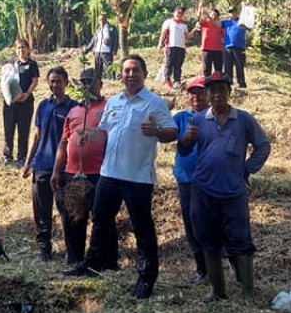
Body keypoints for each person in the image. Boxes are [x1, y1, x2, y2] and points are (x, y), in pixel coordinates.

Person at [66, 54, 178, 300]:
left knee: (142, 227)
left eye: (135, 70)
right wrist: (88, 134)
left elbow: (172, 132)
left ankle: (147, 276)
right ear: (121, 75)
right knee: (101, 220)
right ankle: (93, 264)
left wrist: (156, 131)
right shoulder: (114, 102)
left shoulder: (154, 102)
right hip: (109, 174)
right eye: (126, 70)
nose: (130, 74)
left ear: (145, 74)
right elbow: (104, 129)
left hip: (137, 177)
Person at [179, 72, 270, 302]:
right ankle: (217, 291)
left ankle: (248, 293)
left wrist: (247, 169)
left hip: (233, 191)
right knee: (207, 239)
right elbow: (183, 152)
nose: (216, 95)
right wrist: (186, 139)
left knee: (240, 240)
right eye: (212, 90)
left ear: (230, 92)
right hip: (203, 189)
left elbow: (262, 146)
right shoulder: (198, 120)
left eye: (221, 90)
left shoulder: (243, 119)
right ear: (207, 94)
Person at [51, 68, 107, 265]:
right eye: (83, 81)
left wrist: (91, 135)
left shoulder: (109, 107)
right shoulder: (74, 111)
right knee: (73, 217)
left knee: (100, 218)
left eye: (90, 80)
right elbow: (64, 142)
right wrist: (57, 170)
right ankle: (75, 258)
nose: (86, 85)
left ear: (100, 82)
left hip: (99, 173)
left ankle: (100, 260)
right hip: (73, 173)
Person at [22, 66, 78, 261]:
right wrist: (28, 163)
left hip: (64, 169)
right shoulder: (43, 105)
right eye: (52, 81)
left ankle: (72, 251)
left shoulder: (74, 108)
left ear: (66, 83)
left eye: (58, 81)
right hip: (42, 166)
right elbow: (36, 135)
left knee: (67, 211)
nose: (55, 85)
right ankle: (44, 250)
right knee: (41, 211)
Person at [172, 75, 210, 283]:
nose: (196, 96)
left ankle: (223, 264)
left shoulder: (214, 117)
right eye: (192, 92)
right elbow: (172, 139)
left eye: (201, 91)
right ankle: (201, 268)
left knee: (211, 223)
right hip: (185, 179)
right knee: (190, 223)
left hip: (209, 180)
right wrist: (185, 137)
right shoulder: (181, 117)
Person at [2, 38, 39, 165]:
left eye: (23, 47)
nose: (21, 50)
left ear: (28, 49)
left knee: (23, 130)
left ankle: (22, 157)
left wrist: (27, 94)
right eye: (18, 48)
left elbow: (35, 81)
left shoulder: (32, 64)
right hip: (11, 104)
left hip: (25, 103)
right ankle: (7, 155)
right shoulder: (12, 66)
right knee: (8, 129)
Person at [157, 7, 188, 88]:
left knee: (178, 65)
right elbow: (163, 34)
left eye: (181, 13)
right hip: (170, 46)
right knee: (169, 63)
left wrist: (195, 29)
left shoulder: (184, 25)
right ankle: (167, 80)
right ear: (174, 13)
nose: (179, 15)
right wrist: (160, 44)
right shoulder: (168, 22)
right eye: (178, 13)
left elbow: (187, 36)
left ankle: (177, 80)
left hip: (181, 47)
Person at [222, 6, 247, 88]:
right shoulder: (225, 22)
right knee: (227, 65)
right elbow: (215, 22)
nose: (232, 14)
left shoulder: (242, 21)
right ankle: (228, 82)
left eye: (234, 12)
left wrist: (245, 7)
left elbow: (249, 19)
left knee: (239, 65)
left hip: (239, 47)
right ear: (228, 14)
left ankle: (241, 82)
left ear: (237, 12)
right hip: (227, 47)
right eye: (230, 12)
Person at [197, 8, 225, 77]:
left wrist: (207, 14)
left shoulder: (219, 24)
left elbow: (215, 24)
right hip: (206, 49)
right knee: (206, 68)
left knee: (218, 69)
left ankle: (218, 83)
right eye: (212, 14)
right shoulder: (205, 22)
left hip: (218, 49)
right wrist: (200, 9)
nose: (214, 16)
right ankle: (207, 83)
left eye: (216, 15)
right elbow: (199, 19)